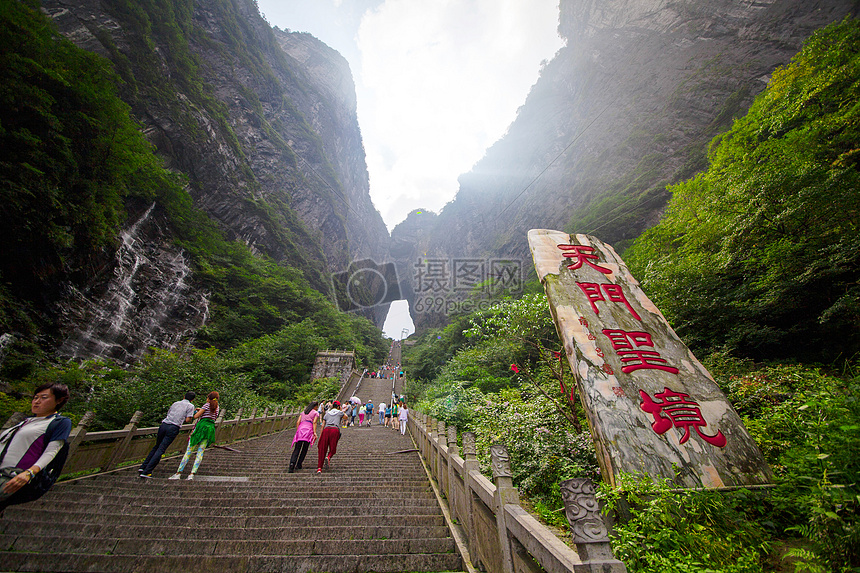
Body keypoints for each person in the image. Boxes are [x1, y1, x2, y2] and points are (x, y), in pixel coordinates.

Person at [0, 383, 72, 511]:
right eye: (35, 397)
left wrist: (29, 473)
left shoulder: (59, 422)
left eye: (44, 397)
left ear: (59, 400)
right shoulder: (25, 422)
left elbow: (52, 450)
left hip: (12, 475)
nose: (37, 401)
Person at [139, 392, 196, 478]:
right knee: (161, 449)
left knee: (156, 446)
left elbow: (169, 413)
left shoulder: (175, 403)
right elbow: (188, 420)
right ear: (192, 399)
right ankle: (147, 471)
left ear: (183, 396)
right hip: (173, 427)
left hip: (164, 424)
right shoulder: (190, 406)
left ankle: (143, 467)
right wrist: (192, 413)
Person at [169, 391, 219, 481]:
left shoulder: (206, 405)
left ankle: (179, 473)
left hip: (200, 428)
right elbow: (212, 417)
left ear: (208, 398)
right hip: (209, 429)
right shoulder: (217, 407)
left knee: (189, 450)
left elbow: (196, 416)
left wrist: (198, 411)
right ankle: (192, 474)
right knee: (200, 452)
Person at [289, 401, 319, 473]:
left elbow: (298, 422)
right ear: (315, 406)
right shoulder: (315, 413)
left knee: (297, 448)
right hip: (308, 430)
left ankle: (292, 463)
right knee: (304, 448)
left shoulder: (303, 412)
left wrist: (297, 430)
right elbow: (314, 422)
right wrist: (314, 432)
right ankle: (299, 464)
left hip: (300, 430)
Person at [317, 401, 347, 474]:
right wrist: (341, 410)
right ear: (338, 407)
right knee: (333, 448)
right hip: (334, 429)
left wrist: (321, 435)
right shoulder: (339, 412)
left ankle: (319, 468)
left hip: (326, 430)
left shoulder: (327, 414)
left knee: (322, 449)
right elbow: (346, 417)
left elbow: (322, 425)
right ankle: (329, 456)